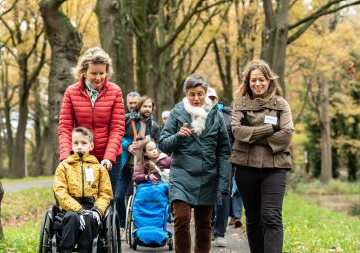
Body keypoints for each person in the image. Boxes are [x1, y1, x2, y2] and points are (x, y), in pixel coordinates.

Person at [159, 74, 231, 253]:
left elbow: (224, 150)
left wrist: (224, 181)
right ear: (186, 94)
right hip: (182, 174)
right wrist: (178, 136)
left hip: (208, 175)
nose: (196, 98)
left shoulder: (216, 115)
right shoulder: (177, 113)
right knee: (181, 218)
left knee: (203, 223)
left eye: (200, 94)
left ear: (206, 93)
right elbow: (163, 144)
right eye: (192, 94)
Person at [230, 60, 294, 253]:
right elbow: (236, 131)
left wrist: (251, 136)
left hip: (275, 167)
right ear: (247, 83)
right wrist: (267, 129)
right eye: (253, 80)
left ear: (269, 80)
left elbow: (287, 134)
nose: (257, 84)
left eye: (261, 80)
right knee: (253, 216)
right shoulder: (240, 104)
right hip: (245, 167)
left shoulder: (281, 104)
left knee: (271, 215)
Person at [58, 47, 125, 203]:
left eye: (102, 73)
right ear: (84, 72)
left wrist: (109, 157)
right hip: (81, 155)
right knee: (77, 200)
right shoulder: (71, 92)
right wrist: (65, 156)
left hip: (108, 158)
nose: (98, 77)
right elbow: (65, 128)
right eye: (94, 73)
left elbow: (117, 128)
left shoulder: (115, 92)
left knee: (105, 201)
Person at [54, 127, 113, 253]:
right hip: (69, 210)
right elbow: (60, 191)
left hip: (92, 209)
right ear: (71, 145)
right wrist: (78, 210)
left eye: (83, 143)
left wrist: (97, 211)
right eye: (76, 143)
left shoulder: (99, 168)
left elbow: (106, 194)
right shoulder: (63, 167)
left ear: (91, 146)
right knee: (72, 217)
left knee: (90, 218)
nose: (79, 146)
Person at [117, 96, 161, 237]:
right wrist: (128, 145)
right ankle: (123, 225)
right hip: (125, 166)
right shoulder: (128, 120)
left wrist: (150, 149)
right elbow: (118, 136)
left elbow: (157, 146)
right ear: (139, 107)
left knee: (138, 199)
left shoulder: (154, 126)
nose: (147, 109)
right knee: (118, 197)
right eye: (145, 106)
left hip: (142, 168)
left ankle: (138, 227)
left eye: (150, 107)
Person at [207, 87, 233, 248]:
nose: (211, 101)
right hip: (206, 163)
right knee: (207, 195)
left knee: (224, 194)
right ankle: (209, 225)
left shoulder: (229, 115)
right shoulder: (197, 115)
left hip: (226, 161)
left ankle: (220, 233)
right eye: (208, 98)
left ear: (217, 99)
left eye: (213, 98)